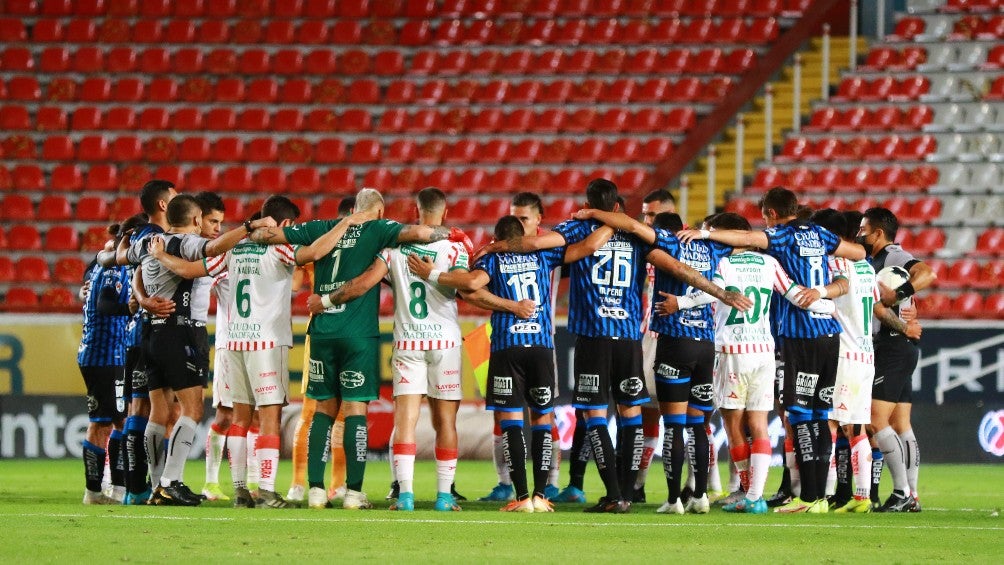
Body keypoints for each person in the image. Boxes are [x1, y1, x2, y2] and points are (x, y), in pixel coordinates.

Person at [491, 179, 749, 513]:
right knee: (631, 415)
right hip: (628, 339)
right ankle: (628, 493)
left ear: (590, 203)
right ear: (618, 207)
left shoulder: (577, 227)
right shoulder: (637, 235)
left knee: (594, 415)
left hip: (592, 337)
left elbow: (535, 244)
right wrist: (721, 293)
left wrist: (498, 247)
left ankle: (614, 495)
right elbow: (678, 268)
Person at [251, 188, 468, 510]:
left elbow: (267, 236)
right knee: (355, 411)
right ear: (379, 212)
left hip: (322, 331)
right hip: (360, 334)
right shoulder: (381, 230)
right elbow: (422, 232)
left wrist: (254, 227)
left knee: (321, 411)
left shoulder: (322, 226)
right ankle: (354, 493)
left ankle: (314, 490)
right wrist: (449, 233)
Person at [153, 195, 371, 508]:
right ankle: (267, 491)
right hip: (266, 343)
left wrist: (160, 256)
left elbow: (188, 270)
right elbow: (315, 251)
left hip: (234, 343)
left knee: (240, 419)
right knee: (269, 419)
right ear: (283, 225)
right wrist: (346, 222)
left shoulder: (232, 249)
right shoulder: (279, 248)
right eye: (291, 226)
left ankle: (241, 490)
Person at [312, 188, 512, 512]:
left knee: (405, 421)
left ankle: (404, 495)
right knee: (446, 422)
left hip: (407, 344)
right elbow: (467, 286)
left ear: (417, 211)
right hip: (444, 343)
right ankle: (444, 496)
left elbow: (362, 284)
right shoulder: (455, 246)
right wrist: (506, 305)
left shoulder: (393, 248)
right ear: (444, 214)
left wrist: (325, 301)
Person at [679, 186, 865, 513]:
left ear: (772, 214)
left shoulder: (777, 238)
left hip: (793, 337)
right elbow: (859, 256)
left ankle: (804, 497)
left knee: (800, 416)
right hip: (826, 335)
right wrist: (823, 297)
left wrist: (705, 233)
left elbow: (748, 241)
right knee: (820, 416)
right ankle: (817, 497)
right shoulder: (819, 234)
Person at [569, 208, 751, 515]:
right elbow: (747, 237)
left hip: (674, 340)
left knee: (674, 427)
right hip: (706, 344)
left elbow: (630, 225)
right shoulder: (709, 246)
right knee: (699, 426)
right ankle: (700, 495)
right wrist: (708, 233)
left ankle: (672, 499)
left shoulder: (666, 242)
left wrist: (594, 212)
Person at [138, 194, 275, 505]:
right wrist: (248, 226)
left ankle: (157, 484)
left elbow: (125, 260)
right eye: (210, 221)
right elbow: (207, 254)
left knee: (159, 412)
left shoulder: (149, 241)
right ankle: (171, 481)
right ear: (197, 220)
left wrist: (143, 298)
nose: (213, 227)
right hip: (181, 330)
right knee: (193, 410)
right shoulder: (188, 244)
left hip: (151, 331)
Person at [858, 207, 934, 512]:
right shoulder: (875, 260)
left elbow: (928, 273)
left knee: (877, 421)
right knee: (901, 423)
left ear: (878, 233)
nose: (860, 234)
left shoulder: (892, 255)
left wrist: (897, 294)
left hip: (892, 346)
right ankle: (912, 494)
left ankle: (902, 492)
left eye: (864, 229)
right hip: (898, 346)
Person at [288, 196, 355, 506]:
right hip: (329, 332)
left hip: (337, 333)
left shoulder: (322, 244)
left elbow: (295, 280)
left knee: (335, 413)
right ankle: (301, 483)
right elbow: (293, 281)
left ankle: (332, 485)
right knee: (318, 411)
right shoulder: (324, 245)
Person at [78, 218, 144, 504]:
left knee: (118, 420)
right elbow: (106, 304)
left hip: (108, 353)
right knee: (104, 423)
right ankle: (94, 491)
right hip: (103, 354)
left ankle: (116, 489)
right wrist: (129, 306)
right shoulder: (112, 267)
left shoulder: (106, 263)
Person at [632, 190, 678, 504]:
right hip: (648, 338)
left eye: (651, 216)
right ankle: (638, 485)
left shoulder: (687, 244)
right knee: (648, 413)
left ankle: (702, 486)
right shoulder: (643, 247)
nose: (646, 221)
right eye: (645, 216)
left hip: (678, 337)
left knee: (689, 418)